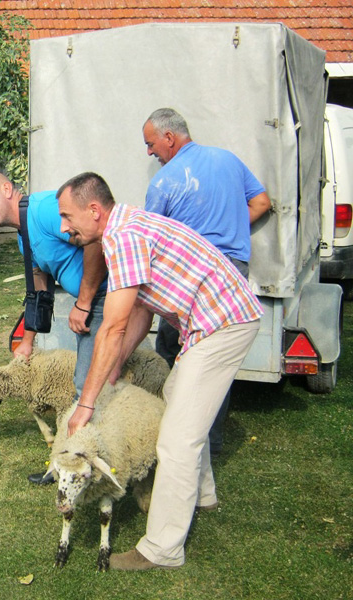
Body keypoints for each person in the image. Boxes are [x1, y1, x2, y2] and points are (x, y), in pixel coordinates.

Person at [57, 171, 262, 570]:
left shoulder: (123, 238)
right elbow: (141, 308)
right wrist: (114, 368)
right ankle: (202, 494)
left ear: (94, 210)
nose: (65, 227)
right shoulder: (126, 225)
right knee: (175, 400)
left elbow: (113, 327)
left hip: (224, 322)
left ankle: (163, 548)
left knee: (176, 440)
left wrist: (86, 404)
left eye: (68, 217)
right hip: (210, 322)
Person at [143, 107, 271, 457]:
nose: (150, 152)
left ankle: (173, 430)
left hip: (192, 276)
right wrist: (232, 226)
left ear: (169, 138)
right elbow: (262, 202)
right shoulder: (228, 160)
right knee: (214, 358)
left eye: (152, 144)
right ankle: (211, 443)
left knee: (172, 349)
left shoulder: (165, 182)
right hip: (232, 272)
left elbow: (153, 240)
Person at [0, 171, 107, 485]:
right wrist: (26, 341)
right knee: (90, 386)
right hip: (95, 303)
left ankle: (75, 468)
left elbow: (96, 239)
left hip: (104, 300)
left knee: (85, 387)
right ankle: (71, 463)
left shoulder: (45, 209)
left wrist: (84, 301)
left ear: (7, 189)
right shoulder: (24, 235)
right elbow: (38, 287)